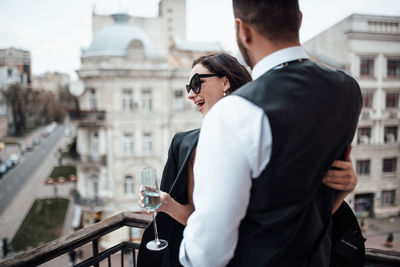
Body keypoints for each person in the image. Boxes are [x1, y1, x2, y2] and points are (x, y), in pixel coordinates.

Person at [179, 1, 362, 266]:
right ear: (298, 20)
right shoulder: (348, 89)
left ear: (242, 30)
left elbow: (209, 253)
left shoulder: (234, 112)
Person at [138, 53, 359, 267]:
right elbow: (201, 222)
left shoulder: (271, 135)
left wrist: (341, 190)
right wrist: (167, 204)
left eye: (196, 83)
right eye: (188, 88)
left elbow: (297, 215)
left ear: (225, 82)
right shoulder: (184, 144)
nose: (190, 94)